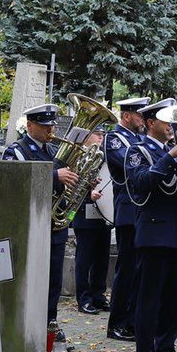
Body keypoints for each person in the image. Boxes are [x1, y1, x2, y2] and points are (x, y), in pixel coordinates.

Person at [127, 98, 177, 352]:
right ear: (150, 123)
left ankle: (166, 350)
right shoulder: (138, 150)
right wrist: (170, 157)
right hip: (154, 232)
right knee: (150, 297)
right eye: (166, 121)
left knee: (175, 297)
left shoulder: (175, 150)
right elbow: (142, 182)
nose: (172, 126)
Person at [3, 104, 78, 329]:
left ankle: (50, 326)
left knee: (53, 281)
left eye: (52, 125)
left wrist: (81, 183)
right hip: (33, 226)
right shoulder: (16, 151)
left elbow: (63, 187)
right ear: (30, 126)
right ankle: (30, 327)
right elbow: (16, 184)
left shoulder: (53, 151)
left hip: (54, 227)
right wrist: (55, 175)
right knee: (33, 280)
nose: (50, 130)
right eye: (45, 126)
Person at [105, 96, 150, 342]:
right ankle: (117, 324)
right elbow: (130, 166)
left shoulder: (139, 139)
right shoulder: (114, 139)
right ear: (126, 116)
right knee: (127, 270)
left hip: (142, 211)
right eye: (139, 115)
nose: (142, 119)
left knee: (140, 271)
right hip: (128, 210)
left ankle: (132, 321)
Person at [72, 128, 111, 314]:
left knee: (102, 258)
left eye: (103, 135)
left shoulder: (103, 158)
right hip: (83, 212)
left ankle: (98, 295)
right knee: (84, 259)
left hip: (103, 213)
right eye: (98, 134)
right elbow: (72, 185)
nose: (101, 138)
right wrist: (89, 193)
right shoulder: (76, 157)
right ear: (87, 137)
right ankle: (84, 299)